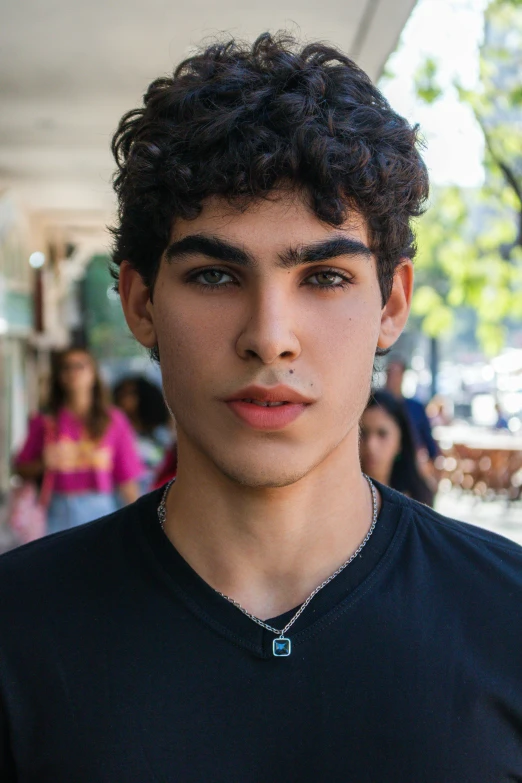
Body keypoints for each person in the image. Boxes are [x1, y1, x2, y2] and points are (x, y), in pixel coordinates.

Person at [1, 34, 522, 782]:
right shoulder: (18, 632)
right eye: (215, 274)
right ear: (140, 302)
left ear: (392, 303)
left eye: (324, 277)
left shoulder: (507, 619)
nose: (269, 339)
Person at [13, 347, 144, 533]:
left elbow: (127, 478)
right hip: (57, 508)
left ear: (93, 373)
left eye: (80, 366)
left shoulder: (114, 421)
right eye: (66, 367)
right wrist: (43, 463)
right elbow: (20, 468)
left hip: (101, 507)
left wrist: (137, 523)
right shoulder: (46, 420)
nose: (73, 373)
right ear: (59, 376)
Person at [360, 390, 433, 505]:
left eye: (382, 434)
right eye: (363, 433)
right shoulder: (340, 501)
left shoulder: (413, 505)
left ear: (400, 441)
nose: (371, 445)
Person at [113, 374, 171, 491]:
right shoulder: (115, 432)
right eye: (121, 393)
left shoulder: (162, 434)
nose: (124, 398)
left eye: (131, 393)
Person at [384, 356, 439, 460]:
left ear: (402, 376)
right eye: (389, 374)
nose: (392, 378)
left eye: (396, 374)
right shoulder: (378, 407)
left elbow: (429, 442)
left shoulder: (415, 407)